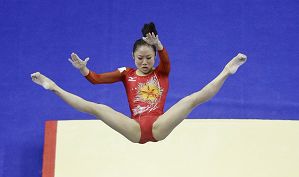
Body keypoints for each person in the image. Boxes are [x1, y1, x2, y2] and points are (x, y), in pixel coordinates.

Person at [31, 22, 247, 144]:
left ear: (154, 58)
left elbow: (166, 60)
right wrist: (83, 70)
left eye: (149, 58)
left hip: (158, 125)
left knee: (191, 100)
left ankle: (227, 72)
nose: (144, 62)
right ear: (133, 58)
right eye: (140, 58)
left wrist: (160, 46)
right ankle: (54, 87)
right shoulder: (126, 73)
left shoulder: (162, 71)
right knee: (97, 108)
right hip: (134, 128)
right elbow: (96, 80)